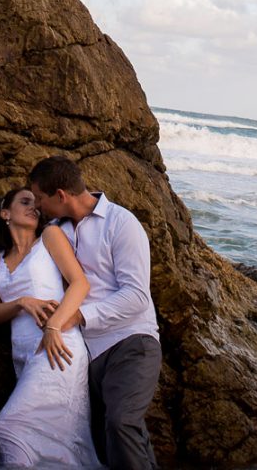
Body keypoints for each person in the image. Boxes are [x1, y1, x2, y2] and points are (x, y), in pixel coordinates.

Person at [28, 156, 161, 470]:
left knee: (121, 423)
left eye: (41, 199)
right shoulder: (55, 230)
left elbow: (138, 296)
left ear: (61, 195)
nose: (38, 207)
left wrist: (79, 316)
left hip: (132, 343)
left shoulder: (121, 222)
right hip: (88, 354)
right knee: (110, 440)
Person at [0, 186, 102, 469]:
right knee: (48, 446)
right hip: (23, 356)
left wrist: (54, 327)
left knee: (7, 429)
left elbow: (80, 284)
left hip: (58, 347)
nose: (33, 207)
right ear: (5, 213)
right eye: (25, 202)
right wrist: (21, 303)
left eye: (36, 203)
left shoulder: (49, 237)